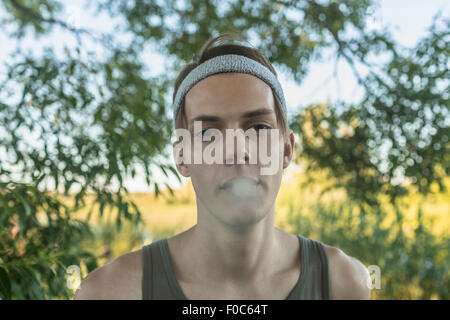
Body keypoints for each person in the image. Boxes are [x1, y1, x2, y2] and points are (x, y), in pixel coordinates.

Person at [74, 33, 371, 300]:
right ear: (182, 157)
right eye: (207, 133)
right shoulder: (111, 293)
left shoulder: (343, 283)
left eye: (257, 128)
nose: (235, 152)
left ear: (286, 149)